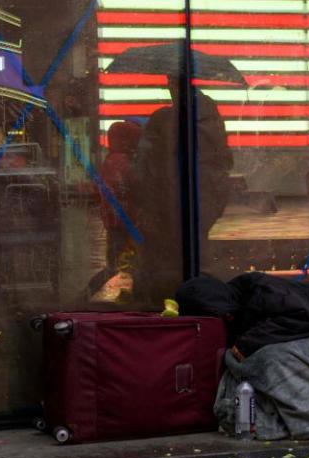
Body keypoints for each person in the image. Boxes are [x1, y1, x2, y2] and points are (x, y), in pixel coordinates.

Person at [131, 75, 234, 305]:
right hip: (203, 197)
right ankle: (199, 300)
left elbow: (145, 164)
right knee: (197, 249)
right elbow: (224, 160)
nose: (169, 89)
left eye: (171, 85)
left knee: (168, 255)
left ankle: (166, 302)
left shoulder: (163, 120)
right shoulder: (211, 119)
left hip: (171, 199)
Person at [98, 120, 142, 271]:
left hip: (115, 222)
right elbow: (132, 187)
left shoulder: (111, 160)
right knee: (122, 264)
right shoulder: (122, 162)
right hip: (124, 223)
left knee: (116, 261)